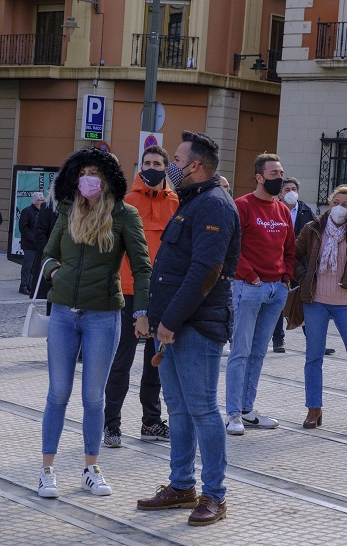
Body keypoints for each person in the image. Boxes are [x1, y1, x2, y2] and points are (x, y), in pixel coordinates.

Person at [137, 130, 240, 526]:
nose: (172, 166)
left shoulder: (213, 205)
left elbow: (206, 271)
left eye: (177, 160)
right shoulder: (192, 202)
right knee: (178, 409)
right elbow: (170, 269)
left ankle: (214, 495)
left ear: (194, 165)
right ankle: (182, 486)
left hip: (196, 326)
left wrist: (171, 321)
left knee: (202, 409)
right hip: (175, 325)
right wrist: (154, 317)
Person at [37, 147, 151, 499]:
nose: (89, 180)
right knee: (58, 393)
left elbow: (142, 265)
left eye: (96, 174)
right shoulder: (67, 210)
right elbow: (49, 253)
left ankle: (91, 468)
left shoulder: (124, 214)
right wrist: (57, 274)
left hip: (104, 313)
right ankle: (46, 471)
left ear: (108, 179)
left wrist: (142, 311)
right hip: (63, 313)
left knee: (92, 396)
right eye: (84, 173)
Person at [103, 145, 178, 447]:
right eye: (146, 163)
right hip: (128, 292)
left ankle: (151, 422)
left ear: (165, 168)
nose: (151, 167)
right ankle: (111, 425)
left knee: (155, 361)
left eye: (157, 163)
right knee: (121, 361)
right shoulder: (125, 201)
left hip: (162, 293)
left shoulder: (175, 202)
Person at [294, 185, 347, 432]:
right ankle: (314, 409)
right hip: (317, 302)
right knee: (313, 357)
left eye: (346, 205)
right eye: (336, 202)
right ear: (329, 204)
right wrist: (303, 279)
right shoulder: (313, 228)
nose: (339, 208)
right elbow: (293, 255)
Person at [224, 153, 295, 436]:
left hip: (276, 290)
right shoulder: (241, 206)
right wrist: (250, 275)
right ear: (259, 176)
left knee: (258, 353)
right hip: (247, 288)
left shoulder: (281, 211)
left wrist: (285, 280)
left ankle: (247, 409)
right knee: (239, 352)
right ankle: (232, 414)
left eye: (280, 172)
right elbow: (231, 246)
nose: (279, 178)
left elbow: (289, 248)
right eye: (274, 173)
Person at [271, 177, 319, 353]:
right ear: (280, 194)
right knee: (278, 301)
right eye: (287, 189)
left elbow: (314, 237)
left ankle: (314, 340)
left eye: (294, 189)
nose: (291, 192)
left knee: (304, 299)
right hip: (278, 262)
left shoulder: (306, 211)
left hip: (300, 264)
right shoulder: (274, 209)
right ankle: (278, 340)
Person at [18, 192, 44, 295]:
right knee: (27, 266)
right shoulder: (27, 211)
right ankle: (23, 285)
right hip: (29, 245)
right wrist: (34, 238)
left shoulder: (41, 212)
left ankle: (30, 285)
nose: (43, 202)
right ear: (36, 201)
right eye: (41, 200)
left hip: (38, 245)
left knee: (34, 267)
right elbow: (23, 228)